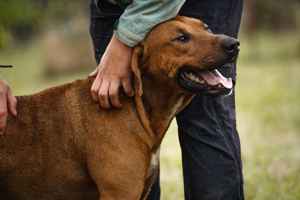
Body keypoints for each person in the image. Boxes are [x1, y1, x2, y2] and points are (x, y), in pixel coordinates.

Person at [0, 0, 244, 199]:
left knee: (206, 120)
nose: (225, 41)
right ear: (140, 67)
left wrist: (124, 37)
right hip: (110, 5)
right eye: (183, 39)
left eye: (206, 29)